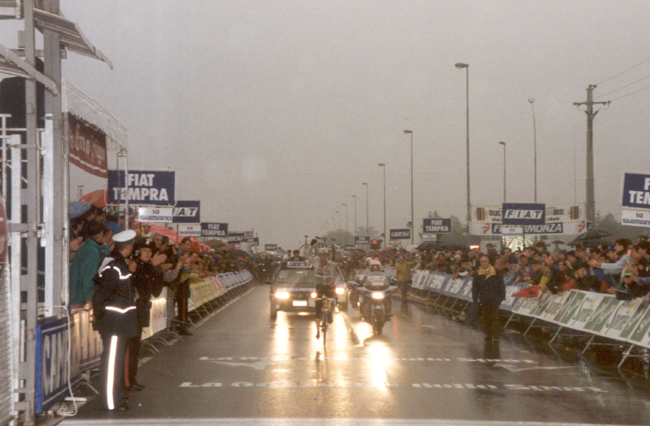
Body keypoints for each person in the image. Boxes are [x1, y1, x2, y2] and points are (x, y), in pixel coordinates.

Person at [93, 230, 138, 411]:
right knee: (112, 363)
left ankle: (115, 395)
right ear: (129, 245)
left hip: (119, 323)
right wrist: (102, 318)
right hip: (114, 323)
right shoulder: (114, 267)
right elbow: (103, 295)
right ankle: (112, 400)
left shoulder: (118, 264)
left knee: (116, 361)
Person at [124, 239, 166, 392]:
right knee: (130, 346)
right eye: (144, 250)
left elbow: (155, 291)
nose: (148, 253)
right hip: (131, 309)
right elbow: (132, 284)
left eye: (150, 251)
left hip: (142, 309)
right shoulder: (133, 266)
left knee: (136, 347)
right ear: (137, 252)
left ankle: (131, 379)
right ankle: (127, 381)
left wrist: (157, 270)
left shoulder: (150, 268)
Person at [69, 222, 108, 307]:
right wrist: (89, 299)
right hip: (81, 300)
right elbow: (88, 278)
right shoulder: (93, 252)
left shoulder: (84, 248)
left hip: (75, 296)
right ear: (100, 235)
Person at [472, 256, 506, 342]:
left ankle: (495, 334)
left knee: (494, 317)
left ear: (488, 262)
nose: (484, 263)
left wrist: (502, 296)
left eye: (485, 261)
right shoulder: (477, 274)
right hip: (484, 299)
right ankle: (488, 334)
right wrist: (475, 298)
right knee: (486, 317)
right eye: (482, 262)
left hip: (494, 298)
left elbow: (501, 285)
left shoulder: (496, 272)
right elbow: (475, 287)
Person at [312, 248, 337, 339]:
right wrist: (310, 245)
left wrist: (336, 282)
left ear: (327, 256)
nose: (323, 256)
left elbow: (337, 274)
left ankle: (330, 313)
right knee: (318, 308)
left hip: (329, 287)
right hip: (319, 287)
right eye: (322, 255)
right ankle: (318, 330)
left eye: (325, 255)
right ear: (319, 255)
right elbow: (306, 256)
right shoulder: (315, 263)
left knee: (334, 299)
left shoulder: (332, 264)